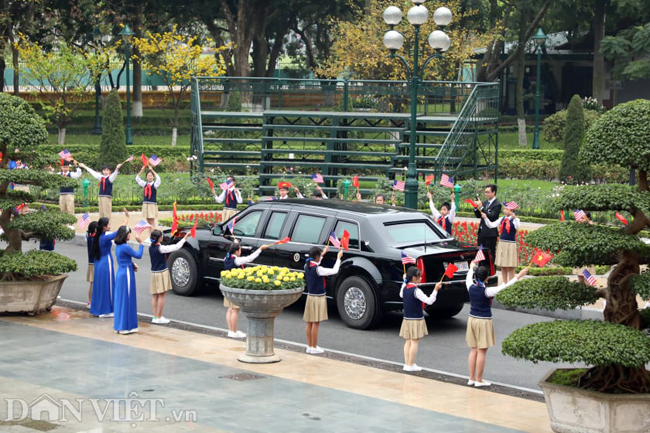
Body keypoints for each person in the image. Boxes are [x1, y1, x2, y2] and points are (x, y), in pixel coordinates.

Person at [465, 259, 528, 387]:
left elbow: (469, 275)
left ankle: (471, 378)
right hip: (484, 320)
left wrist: (472, 267)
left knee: (473, 350)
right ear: (487, 278)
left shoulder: (470, 286)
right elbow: (505, 286)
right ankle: (479, 379)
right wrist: (519, 276)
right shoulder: (487, 291)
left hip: (472, 319)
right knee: (482, 351)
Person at [223, 241, 273, 337]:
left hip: (228, 286)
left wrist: (235, 243)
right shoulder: (237, 260)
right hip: (235, 287)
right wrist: (260, 249)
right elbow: (250, 258)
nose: (240, 251)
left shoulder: (226, 258)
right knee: (235, 310)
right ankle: (234, 332)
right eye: (240, 249)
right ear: (237, 251)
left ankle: (230, 330)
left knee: (229, 309)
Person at [399, 267, 443, 372]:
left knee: (408, 341)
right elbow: (429, 301)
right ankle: (410, 365)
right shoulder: (416, 290)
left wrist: (404, 281)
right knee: (414, 341)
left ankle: (407, 363)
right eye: (419, 276)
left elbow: (401, 294)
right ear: (414, 278)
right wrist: (436, 290)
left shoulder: (405, 288)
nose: (421, 278)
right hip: (416, 319)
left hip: (407, 318)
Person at [304, 245, 344, 354]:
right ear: (317, 256)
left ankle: (309, 346)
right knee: (316, 323)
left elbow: (316, 260)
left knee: (309, 322)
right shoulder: (319, 269)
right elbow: (334, 271)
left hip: (310, 296)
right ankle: (314, 346)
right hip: (318, 297)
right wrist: (338, 258)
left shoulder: (307, 266)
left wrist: (323, 253)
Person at [90, 210, 129, 318]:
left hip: (98, 264)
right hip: (106, 262)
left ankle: (98, 309)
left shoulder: (96, 237)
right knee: (108, 286)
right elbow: (120, 231)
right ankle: (106, 310)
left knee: (99, 287)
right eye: (109, 224)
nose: (110, 225)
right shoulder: (105, 238)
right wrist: (126, 218)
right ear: (104, 227)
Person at [149, 230, 192, 324]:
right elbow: (176, 247)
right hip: (161, 272)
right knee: (162, 295)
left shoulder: (150, 247)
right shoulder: (161, 248)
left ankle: (155, 316)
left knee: (155, 295)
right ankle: (159, 317)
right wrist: (185, 237)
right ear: (159, 238)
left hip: (153, 272)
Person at [113, 226, 144, 335]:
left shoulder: (118, 246)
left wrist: (132, 264)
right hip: (126, 274)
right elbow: (139, 255)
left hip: (121, 272)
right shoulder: (125, 247)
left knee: (121, 299)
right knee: (127, 299)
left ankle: (119, 325)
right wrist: (141, 243)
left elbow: (124, 259)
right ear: (124, 235)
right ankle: (126, 327)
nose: (129, 235)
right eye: (128, 233)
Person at [481, 201, 521, 283]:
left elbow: (517, 226)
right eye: (504, 209)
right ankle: (504, 283)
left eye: (506, 209)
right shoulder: (502, 219)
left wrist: (515, 218)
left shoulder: (515, 220)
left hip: (510, 244)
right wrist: (485, 218)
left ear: (511, 211)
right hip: (502, 243)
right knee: (503, 265)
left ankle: (511, 283)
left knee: (510, 265)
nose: (504, 211)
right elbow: (491, 225)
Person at [473, 184, 501, 268]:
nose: (486, 194)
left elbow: (492, 216)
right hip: (481, 232)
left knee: (490, 254)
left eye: (488, 192)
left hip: (490, 233)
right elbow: (478, 215)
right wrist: (476, 207)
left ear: (494, 192)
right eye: (485, 192)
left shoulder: (497, 204)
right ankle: (481, 273)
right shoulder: (485, 203)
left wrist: (481, 207)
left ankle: (490, 272)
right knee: (480, 254)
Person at [86, 221, 98, 309]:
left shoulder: (89, 237)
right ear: (95, 229)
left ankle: (90, 301)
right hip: (94, 262)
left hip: (91, 262)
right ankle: (91, 301)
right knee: (94, 283)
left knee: (92, 283)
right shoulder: (94, 238)